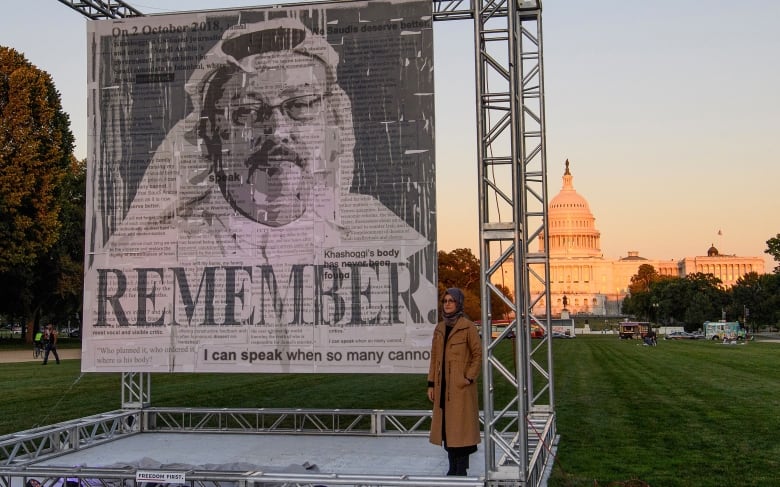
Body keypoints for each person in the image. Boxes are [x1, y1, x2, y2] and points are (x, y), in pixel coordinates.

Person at [426, 288, 482, 476]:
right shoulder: (440, 328)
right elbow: (435, 358)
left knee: (461, 431)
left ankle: (460, 470)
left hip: (460, 389)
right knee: (447, 430)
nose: (447, 304)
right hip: (443, 388)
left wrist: (468, 377)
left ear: (459, 303)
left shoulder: (468, 327)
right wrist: (431, 383)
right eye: (445, 301)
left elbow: (477, 354)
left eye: (451, 301)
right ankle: (452, 467)